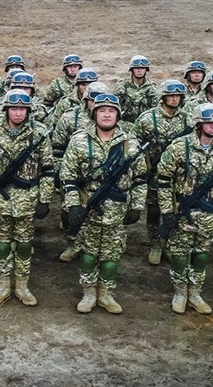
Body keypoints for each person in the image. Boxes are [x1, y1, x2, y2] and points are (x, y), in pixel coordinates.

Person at [61, 93, 147, 314]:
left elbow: (140, 178)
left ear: (118, 115)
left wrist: (136, 206)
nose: (107, 115)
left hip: (117, 212)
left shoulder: (130, 143)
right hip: (88, 208)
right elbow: (68, 177)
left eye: (111, 111)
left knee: (111, 257)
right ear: (94, 114)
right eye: (102, 110)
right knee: (88, 255)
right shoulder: (79, 140)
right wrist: (73, 205)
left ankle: (106, 294)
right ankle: (89, 293)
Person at [0, 89, 54, 306]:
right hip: (1, 199)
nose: (18, 113)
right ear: (6, 110)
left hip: (28, 199)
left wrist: (45, 199)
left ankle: (22, 287)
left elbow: (48, 169)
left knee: (24, 245)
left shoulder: (39, 133)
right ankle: (2, 286)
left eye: (22, 109)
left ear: (28, 110)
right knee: (2, 245)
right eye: (14, 109)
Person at [157, 103, 213, 314]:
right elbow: (163, 181)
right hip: (183, 212)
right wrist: (167, 211)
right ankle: (180, 292)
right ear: (198, 124)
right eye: (208, 122)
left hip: (211, 212)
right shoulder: (179, 147)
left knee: (202, 254)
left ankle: (195, 292)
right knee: (180, 254)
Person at [133, 79, 191, 265]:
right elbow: (135, 144)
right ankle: (155, 244)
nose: (175, 99)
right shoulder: (147, 118)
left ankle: (169, 244)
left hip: (180, 174)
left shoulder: (187, 118)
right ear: (163, 97)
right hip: (154, 172)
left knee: (177, 208)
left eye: (178, 96)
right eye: (171, 95)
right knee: (154, 209)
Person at [53, 81, 109, 262]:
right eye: (93, 100)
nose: (96, 104)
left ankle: (96, 247)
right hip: (73, 174)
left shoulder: (111, 119)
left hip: (102, 177)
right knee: (69, 210)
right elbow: (57, 146)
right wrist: (59, 171)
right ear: (85, 100)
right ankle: (72, 243)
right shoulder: (70, 117)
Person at [114, 55, 158, 124]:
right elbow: (115, 105)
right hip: (124, 123)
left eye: (142, 68)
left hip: (145, 123)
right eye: (136, 68)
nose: (139, 70)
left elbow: (156, 109)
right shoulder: (122, 85)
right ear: (132, 69)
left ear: (146, 70)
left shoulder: (152, 87)